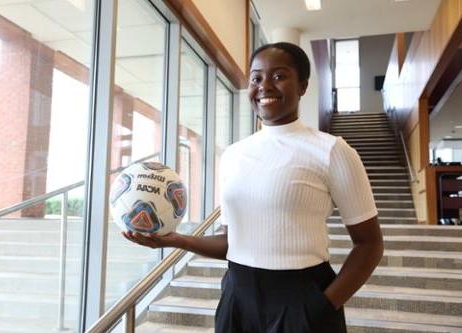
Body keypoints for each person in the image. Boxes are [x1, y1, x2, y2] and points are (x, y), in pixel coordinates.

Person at [123, 42, 384, 333]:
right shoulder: (234, 154)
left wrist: (323, 306)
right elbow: (231, 242)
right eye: (256, 78)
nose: (264, 86)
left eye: (279, 76)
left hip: (302, 297)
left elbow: (369, 244)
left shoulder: (332, 150)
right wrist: (177, 240)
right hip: (237, 296)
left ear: (303, 86)